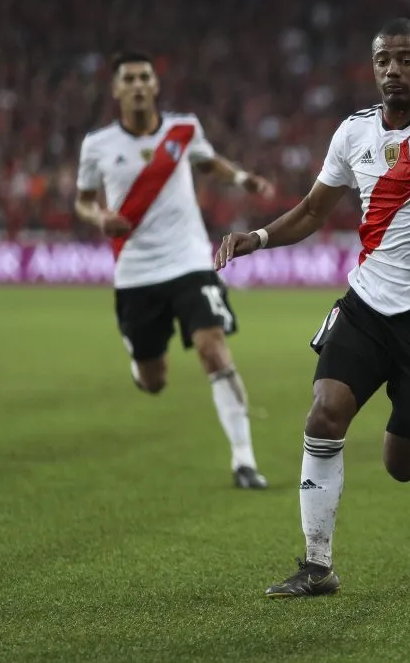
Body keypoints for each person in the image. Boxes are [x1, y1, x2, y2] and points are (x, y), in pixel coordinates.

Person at [214, 18, 410, 598]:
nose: (392, 71)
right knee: (324, 413)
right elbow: (311, 210)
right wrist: (255, 237)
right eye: (383, 61)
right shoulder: (352, 133)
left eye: (405, 59)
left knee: (401, 464)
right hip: (366, 302)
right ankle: (317, 564)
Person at [75, 50, 274, 490]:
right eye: (129, 79)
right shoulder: (98, 145)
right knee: (154, 380)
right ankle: (141, 363)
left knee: (213, 348)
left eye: (145, 76)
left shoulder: (183, 130)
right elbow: (83, 200)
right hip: (136, 273)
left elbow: (207, 161)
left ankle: (244, 460)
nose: (139, 85)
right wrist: (98, 218)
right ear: (116, 89)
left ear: (155, 84)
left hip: (189, 262)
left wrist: (242, 179)